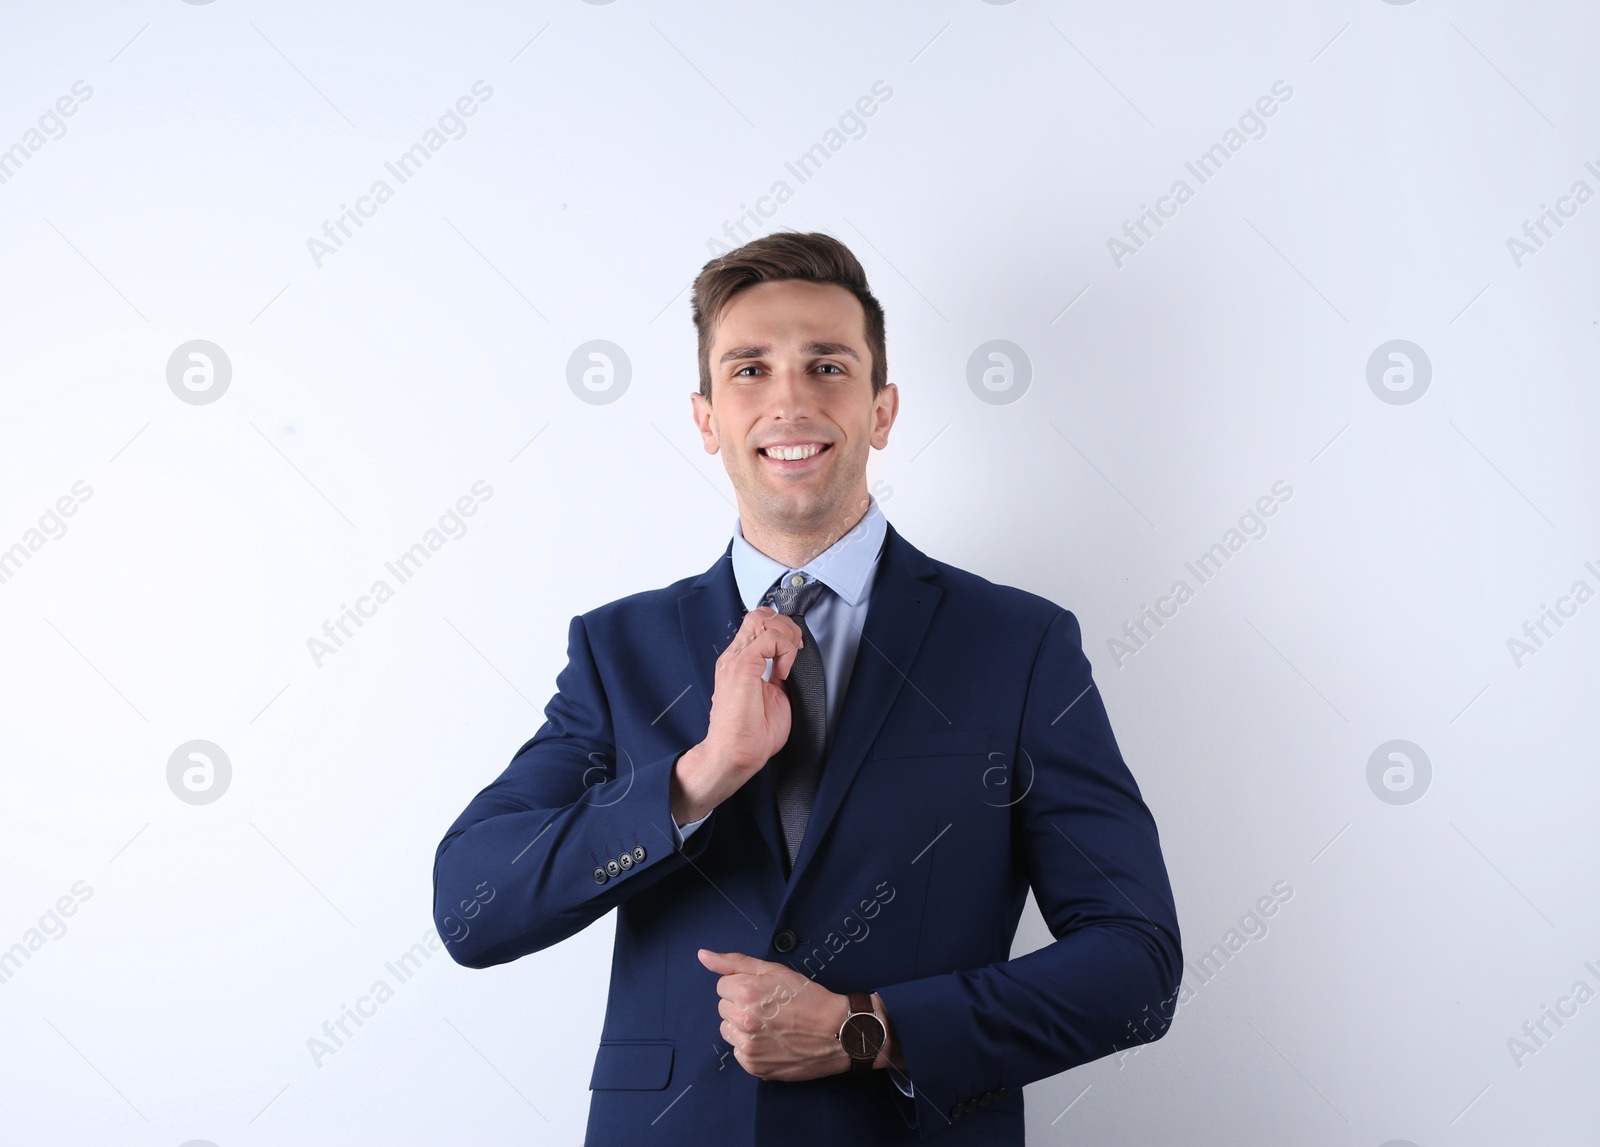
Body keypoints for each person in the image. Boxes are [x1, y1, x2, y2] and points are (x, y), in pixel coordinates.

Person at [432, 231, 1181, 1145]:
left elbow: (1137, 964)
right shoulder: (616, 649)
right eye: (749, 370)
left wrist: (865, 1028)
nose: (789, 398)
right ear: (706, 419)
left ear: (882, 407)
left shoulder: (1019, 645)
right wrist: (700, 774)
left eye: (827, 365)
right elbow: (470, 907)